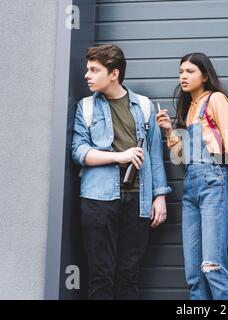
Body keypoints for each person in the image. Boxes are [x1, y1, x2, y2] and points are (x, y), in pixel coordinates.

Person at [71, 44, 171, 299]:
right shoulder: (86, 107)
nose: (87, 75)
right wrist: (119, 156)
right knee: (100, 273)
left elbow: (154, 155)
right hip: (97, 198)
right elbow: (79, 152)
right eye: (88, 69)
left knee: (129, 273)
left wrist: (159, 196)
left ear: (113, 73)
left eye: (94, 70)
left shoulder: (145, 106)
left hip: (138, 199)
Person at [156, 52, 228, 300]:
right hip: (191, 188)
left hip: (214, 184)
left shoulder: (216, 100)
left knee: (213, 267)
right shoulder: (189, 110)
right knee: (194, 275)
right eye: (180, 72)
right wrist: (169, 131)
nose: (183, 77)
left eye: (190, 71)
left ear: (204, 76)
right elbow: (182, 155)